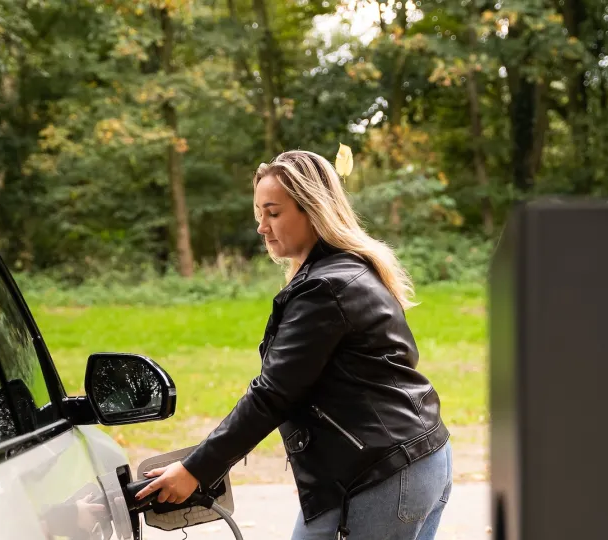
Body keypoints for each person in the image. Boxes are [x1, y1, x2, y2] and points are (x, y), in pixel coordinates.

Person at [136, 150, 452, 539]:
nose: (261, 228)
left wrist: (196, 469)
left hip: (380, 473)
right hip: (414, 460)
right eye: (258, 215)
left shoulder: (327, 287)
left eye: (273, 213)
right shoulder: (346, 271)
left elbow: (273, 394)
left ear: (312, 210)